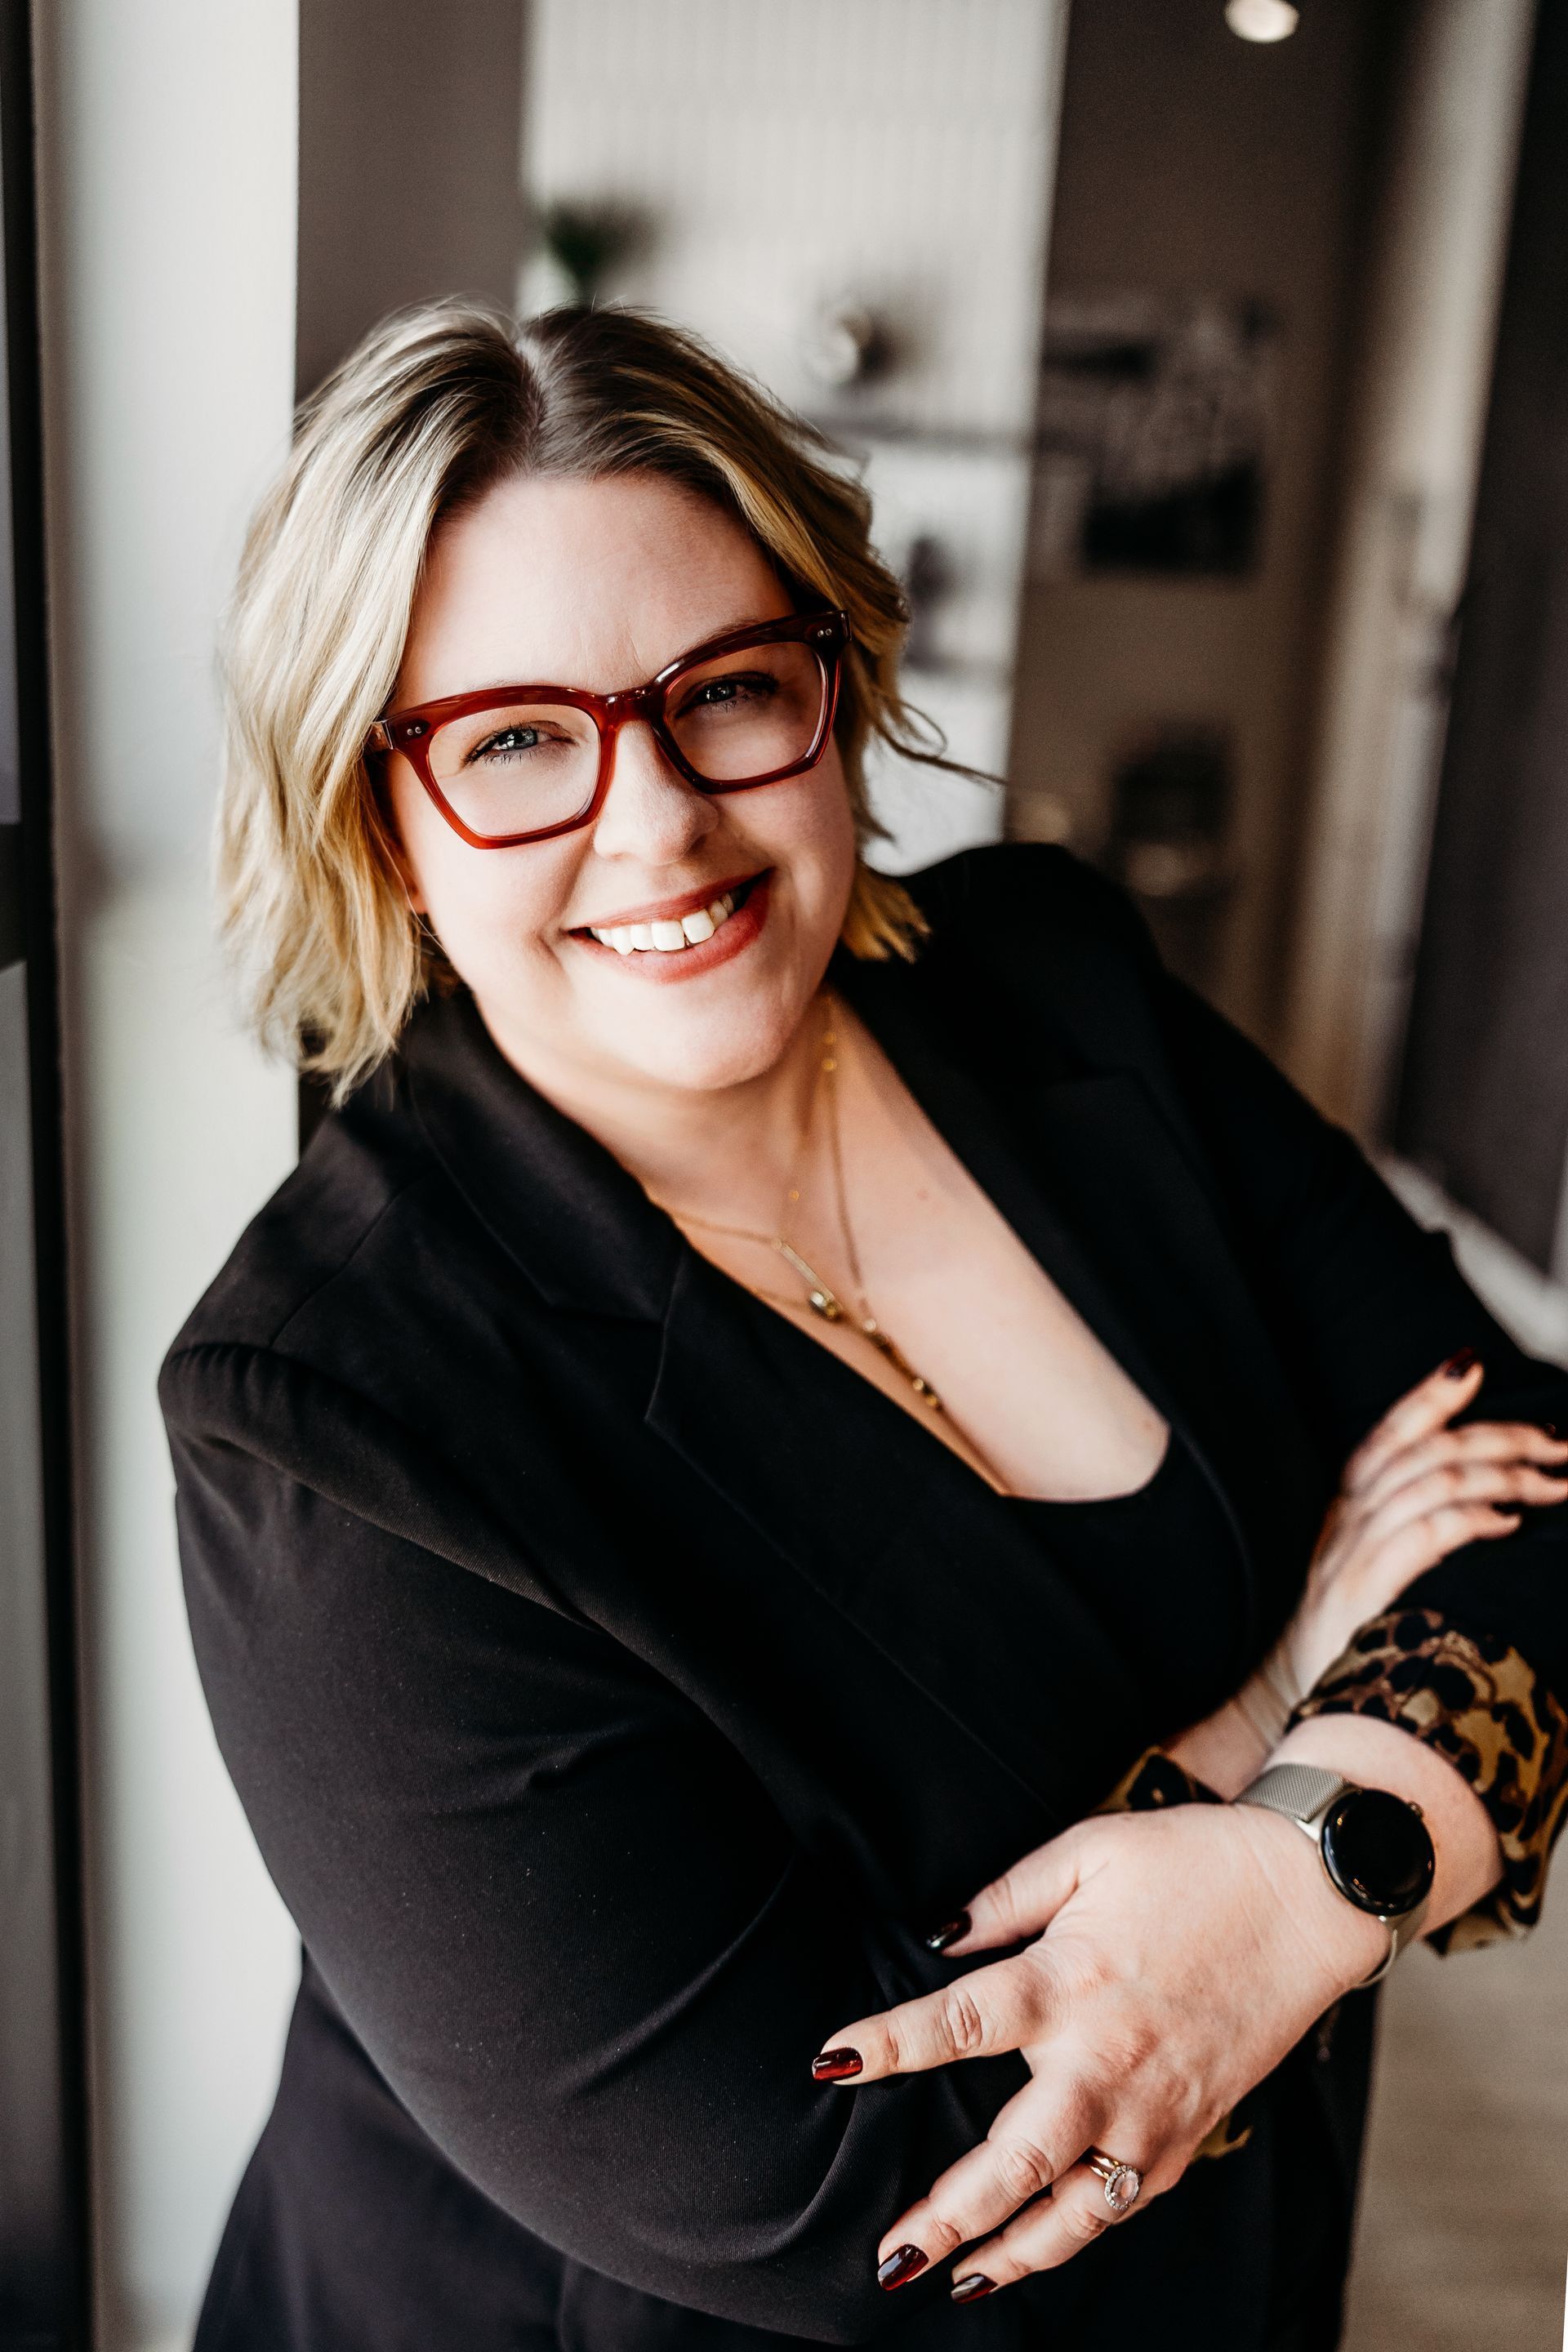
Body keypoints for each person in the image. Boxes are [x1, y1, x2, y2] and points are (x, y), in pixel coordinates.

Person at [163, 300, 1568, 2352]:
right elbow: (851, 2189)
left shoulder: (1060, 983)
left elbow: (1531, 1470)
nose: (657, 824)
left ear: (840, 680)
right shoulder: (335, 1412)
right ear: (383, 820)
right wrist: (1295, 1726)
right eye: (520, 740)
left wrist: (1279, 1888)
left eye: (724, 691)